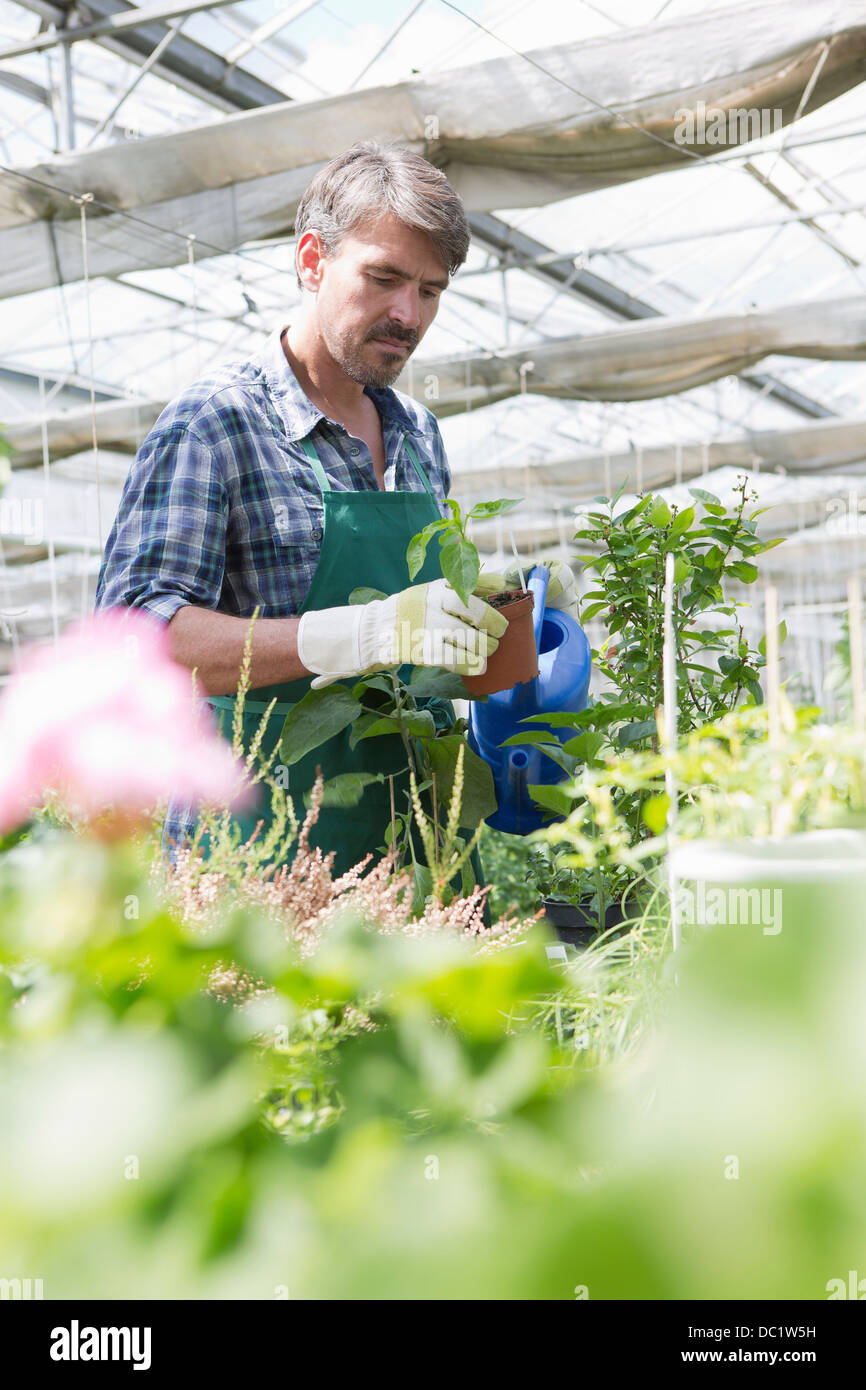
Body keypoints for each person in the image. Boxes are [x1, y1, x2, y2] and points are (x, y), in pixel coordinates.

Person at [95, 140, 576, 878]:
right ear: (312, 260)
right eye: (382, 278)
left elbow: (420, 636)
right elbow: (134, 639)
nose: (407, 314)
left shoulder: (419, 432)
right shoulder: (218, 424)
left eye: (431, 290)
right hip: (260, 851)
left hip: (416, 845)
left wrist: (493, 643)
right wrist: (360, 631)